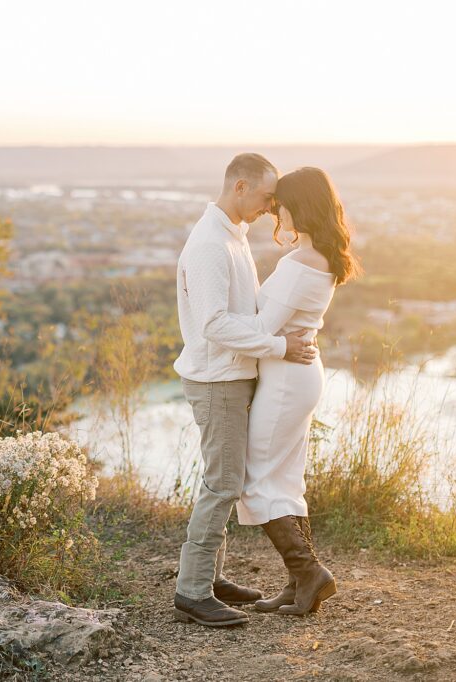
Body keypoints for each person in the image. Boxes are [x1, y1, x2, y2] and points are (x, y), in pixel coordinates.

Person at [172, 153, 317, 628]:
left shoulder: (234, 237)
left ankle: (210, 580)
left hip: (232, 375)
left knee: (224, 478)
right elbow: (215, 324)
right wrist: (278, 345)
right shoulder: (212, 244)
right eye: (265, 196)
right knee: (224, 483)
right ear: (239, 187)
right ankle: (193, 591)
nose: (271, 208)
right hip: (217, 379)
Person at [233, 166, 361, 616]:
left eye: (280, 204)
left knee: (257, 477)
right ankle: (298, 585)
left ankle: (308, 572)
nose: (275, 212)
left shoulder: (299, 265)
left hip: (287, 381)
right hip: (296, 377)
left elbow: (263, 328)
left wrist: (218, 320)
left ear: (299, 205)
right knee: (285, 477)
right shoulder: (320, 257)